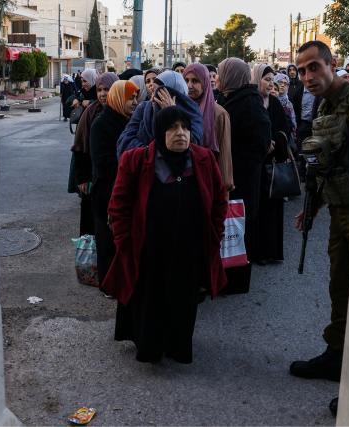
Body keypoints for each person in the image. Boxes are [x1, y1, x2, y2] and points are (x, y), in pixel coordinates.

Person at [102, 106, 228, 364]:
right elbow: (119, 205)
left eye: (185, 127)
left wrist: (215, 233)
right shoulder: (136, 160)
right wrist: (124, 241)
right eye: (172, 127)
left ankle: (178, 347)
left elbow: (219, 201)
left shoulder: (204, 159)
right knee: (151, 297)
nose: (180, 133)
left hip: (189, 248)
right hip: (149, 248)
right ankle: (150, 347)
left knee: (184, 299)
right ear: (159, 132)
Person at [289, 40, 349, 382]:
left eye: (314, 67)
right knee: (341, 284)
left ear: (331, 63)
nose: (307, 76)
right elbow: (322, 167)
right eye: (302, 70)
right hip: (339, 208)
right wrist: (314, 207)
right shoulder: (323, 110)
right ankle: (338, 355)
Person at [217, 57, 271, 293]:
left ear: (231, 76)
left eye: (220, 74)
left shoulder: (248, 102)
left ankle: (237, 281)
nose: (217, 78)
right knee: (230, 226)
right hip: (234, 173)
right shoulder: (231, 98)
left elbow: (262, 140)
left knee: (240, 226)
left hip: (244, 177)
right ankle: (226, 276)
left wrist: (239, 156)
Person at [89, 80, 140, 294]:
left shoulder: (129, 121)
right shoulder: (102, 124)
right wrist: (130, 170)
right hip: (107, 192)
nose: (135, 102)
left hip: (125, 191)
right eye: (131, 98)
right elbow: (102, 163)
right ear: (119, 98)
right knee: (107, 241)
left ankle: (121, 280)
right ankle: (108, 285)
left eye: (137, 97)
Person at [249, 64, 292, 264]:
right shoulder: (251, 103)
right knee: (258, 209)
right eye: (266, 79)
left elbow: (285, 128)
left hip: (273, 165)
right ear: (256, 79)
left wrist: (275, 140)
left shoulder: (274, 103)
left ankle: (271, 251)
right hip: (256, 166)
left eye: (271, 80)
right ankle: (257, 252)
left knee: (273, 209)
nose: (269, 83)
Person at [71, 72, 119, 236]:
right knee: (92, 223)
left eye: (107, 89)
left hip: (111, 178)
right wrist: (83, 177)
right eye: (99, 90)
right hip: (92, 178)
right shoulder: (91, 112)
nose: (103, 94)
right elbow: (79, 146)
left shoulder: (123, 110)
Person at [117, 70, 204, 156]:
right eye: (153, 91)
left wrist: (173, 114)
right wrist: (149, 153)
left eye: (159, 92)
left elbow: (191, 145)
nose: (154, 97)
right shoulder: (143, 108)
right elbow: (124, 142)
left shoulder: (192, 112)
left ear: (175, 94)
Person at [183, 63, 234, 192]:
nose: (189, 85)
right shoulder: (180, 109)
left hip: (209, 181)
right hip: (184, 179)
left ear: (205, 82)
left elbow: (224, 153)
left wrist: (224, 188)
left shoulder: (219, 114)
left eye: (195, 81)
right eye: (186, 80)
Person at [273, 72, 297, 148]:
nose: (283, 85)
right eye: (280, 82)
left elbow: (293, 121)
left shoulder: (289, 104)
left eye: (286, 84)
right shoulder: (269, 101)